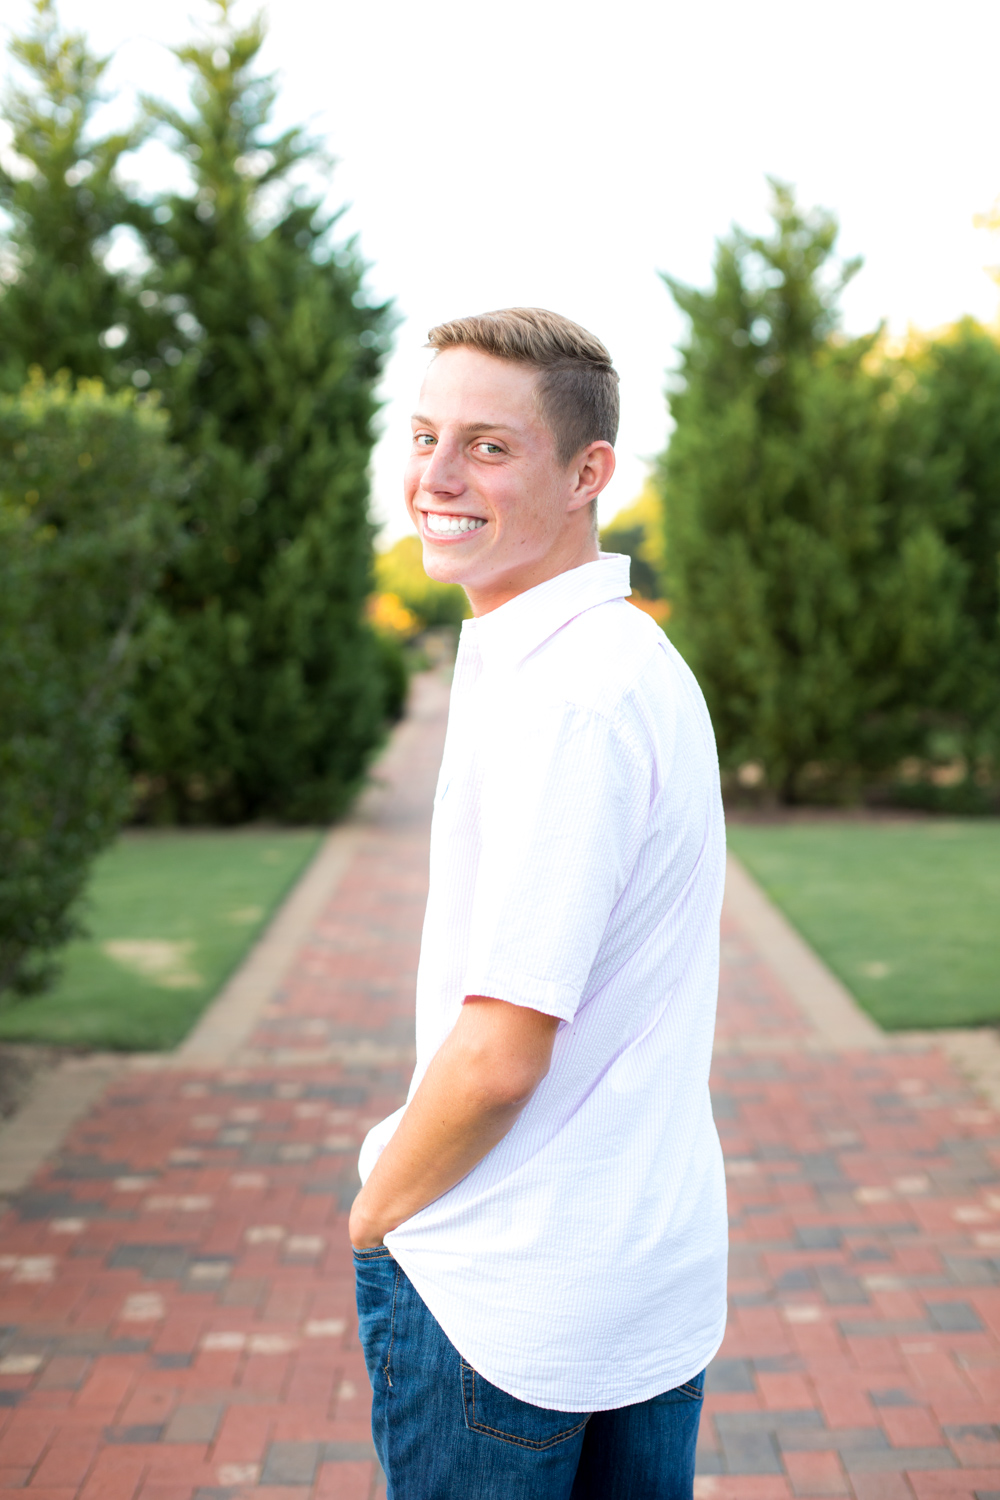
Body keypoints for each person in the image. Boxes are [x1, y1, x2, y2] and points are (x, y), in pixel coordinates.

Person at [350, 308, 727, 1500]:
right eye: (424, 436)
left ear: (586, 472)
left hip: (505, 1295)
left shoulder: (571, 696)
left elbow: (500, 1055)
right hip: (636, 1277)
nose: (435, 477)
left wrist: (376, 1215)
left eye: (488, 446)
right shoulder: (621, 656)